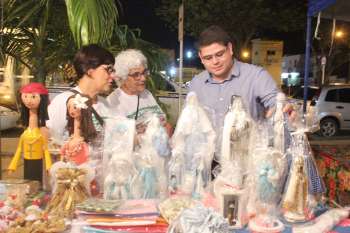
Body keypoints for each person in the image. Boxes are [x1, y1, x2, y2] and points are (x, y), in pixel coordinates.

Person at [189, 25, 294, 169]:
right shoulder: (196, 84)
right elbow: (190, 122)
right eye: (208, 57)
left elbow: (275, 101)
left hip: (248, 165)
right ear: (201, 58)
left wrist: (281, 109)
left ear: (230, 49)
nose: (215, 62)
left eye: (219, 54)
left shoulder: (256, 76)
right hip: (207, 165)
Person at [47, 44, 115, 143]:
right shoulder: (64, 101)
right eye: (109, 70)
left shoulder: (105, 104)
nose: (113, 76)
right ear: (90, 70)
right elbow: (49, 140)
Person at [107, 49, 172, 136]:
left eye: (144, 73)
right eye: (136, 75)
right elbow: (118, 140)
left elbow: (165, 123)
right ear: (123, 77)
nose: (143, 78)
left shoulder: (146, 94)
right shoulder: (113, 102)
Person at [8, 83, 52, 183]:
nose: (28, 100)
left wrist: (49, 166)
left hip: (38, 162)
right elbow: (19, 149)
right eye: (25, 96)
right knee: (27, 182)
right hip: (27, 162)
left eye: (33, 96)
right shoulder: (24, 135)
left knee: (38, 183)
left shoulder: (41, 134)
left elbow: (45, 150)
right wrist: (13, 165)